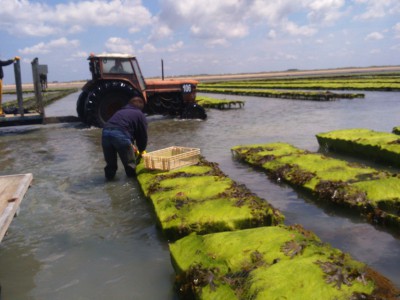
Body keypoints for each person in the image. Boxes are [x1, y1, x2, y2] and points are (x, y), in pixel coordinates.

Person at [102, 93, 148, 180]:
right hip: (121, 134)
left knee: (110, 166)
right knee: (130, 165)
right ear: (141, 108)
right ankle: (131, 185)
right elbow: (142, 135)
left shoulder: (119, 112)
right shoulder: (139, 114)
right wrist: (141, 150)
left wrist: (130, 143)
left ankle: (108, 185)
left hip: (105, 133)